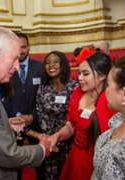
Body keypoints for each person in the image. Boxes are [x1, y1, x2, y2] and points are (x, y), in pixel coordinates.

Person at [0, 27, 51, 180]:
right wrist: (41, 150)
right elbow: (6, 154)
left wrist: (4, 124)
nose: (17, 66)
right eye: (14, 59)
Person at [48, 47, 116, 179]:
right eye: (79, 73)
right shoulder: (78, 93)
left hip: (95, 161)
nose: (79, 78)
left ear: (102, 76)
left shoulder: (109, 102)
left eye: (85, 74)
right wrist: (56, 136)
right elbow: (70, 126)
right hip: (76, 156)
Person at [24, 51, 79, 179]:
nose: (51, 65)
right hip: (49, 142)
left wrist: (60, 137)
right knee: (50, 175)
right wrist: (49, 136)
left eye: (55, 61)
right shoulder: (43, 87)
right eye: (47, 63)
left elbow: (75, 117)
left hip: (69, 142)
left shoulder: (74, 87)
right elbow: (40, 111)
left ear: (63, 65)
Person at [6, 32, 44, 179]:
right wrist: (17, 116)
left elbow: (43, 97)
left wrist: (32, 116)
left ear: (29, 47)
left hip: (36, 122)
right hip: (14, 122)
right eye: (18, 47)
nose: (21, 51)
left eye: (24, 47)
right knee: (16, 161)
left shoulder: (40, 67)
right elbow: (6, 96)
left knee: (41, 158)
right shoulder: (7, 67)